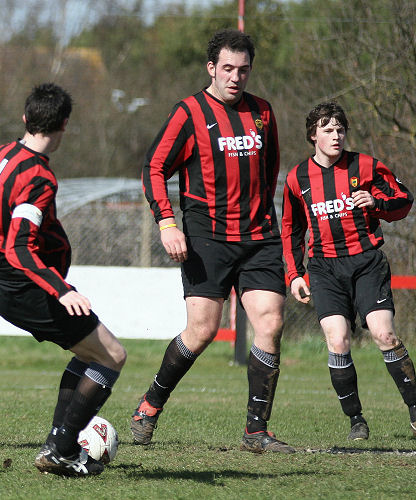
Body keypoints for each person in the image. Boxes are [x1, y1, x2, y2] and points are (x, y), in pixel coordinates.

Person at [0, 83, 126, 477]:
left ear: (25, 117)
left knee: (89, 355)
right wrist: (62, 289)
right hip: (22, 284)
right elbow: (19, 248)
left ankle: (59, 445)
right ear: (65, 124)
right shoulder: (38, 178)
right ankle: (63, 448)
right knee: (112, 355)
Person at [134, 29, 294, 453]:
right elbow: (154, 168)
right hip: (207, 237)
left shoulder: (263, 112)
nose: (235, 77)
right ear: (211, 68)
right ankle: (149, 406)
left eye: (243, 70)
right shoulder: (188, 112)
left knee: (270, 323)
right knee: (202, 330)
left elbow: (270, 167)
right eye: (227, 68)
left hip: (260, 237)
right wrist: (168, 223)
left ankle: (256, 432)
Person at [281, 101, 416, 440]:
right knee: (338, 339)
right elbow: (291, 230)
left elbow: (404, 200)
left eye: (340, 129)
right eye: (328, 129)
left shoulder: (366, 166)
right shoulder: (298, 178)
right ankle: (356, 419)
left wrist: (378, 204)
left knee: (384, 334)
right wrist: (295, 275)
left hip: (367, 262)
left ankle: (415, 409)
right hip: (325, 269)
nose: (336, 135)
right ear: (313, 135)